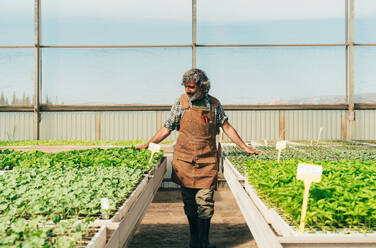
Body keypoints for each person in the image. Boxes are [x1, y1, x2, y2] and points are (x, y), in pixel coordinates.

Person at [136, 68, 258, 248]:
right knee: (189, 203)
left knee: (205, 203)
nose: (188, 90)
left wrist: (244, 147)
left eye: (191, 87)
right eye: (186, 87)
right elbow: (167, 128)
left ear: (203, 87)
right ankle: (194, 238)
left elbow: (227, 127)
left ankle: (204, 241)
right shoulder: (181, 103)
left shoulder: (214, 105)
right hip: (184, 161)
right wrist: (148, 143)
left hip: (207, 161)